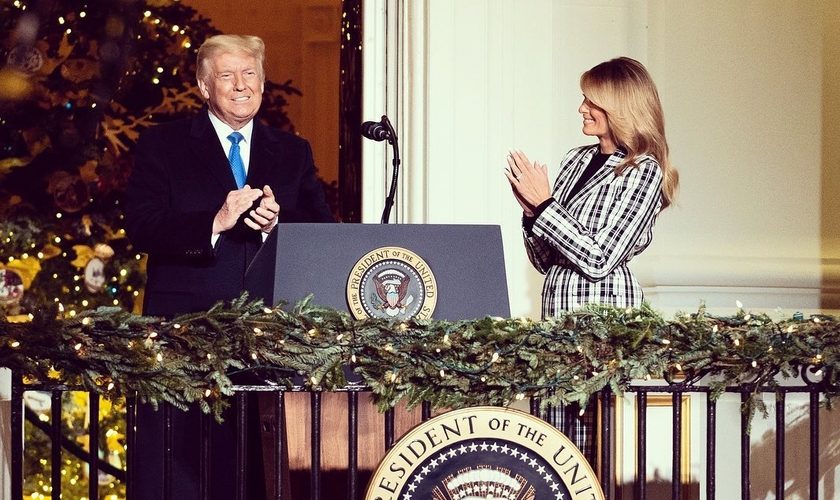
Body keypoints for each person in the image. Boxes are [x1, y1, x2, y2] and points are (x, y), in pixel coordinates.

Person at [125, 34, 335, 499]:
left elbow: (322, 233)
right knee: (177, 474)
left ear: (262, 82)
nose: (241, 85)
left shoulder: (292, 151)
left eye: (250, 74)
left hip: (268, 344)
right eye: (226, 75)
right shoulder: (163, 145)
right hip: (183, 337)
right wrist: (215, 222)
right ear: (204, 86)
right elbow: (142, 226)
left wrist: (275, 225)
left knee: (255, 476)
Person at [504, 56, 679, 463]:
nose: (582, 108)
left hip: (604, 327)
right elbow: (546, 260)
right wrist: (531, 214)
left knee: (595, 454)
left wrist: (545, 206)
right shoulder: (574, 159)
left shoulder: (643, 171)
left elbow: (599, 258)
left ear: (621, 107)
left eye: (592, 101)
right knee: (552, 451)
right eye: (583, 99)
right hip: (556, 322)